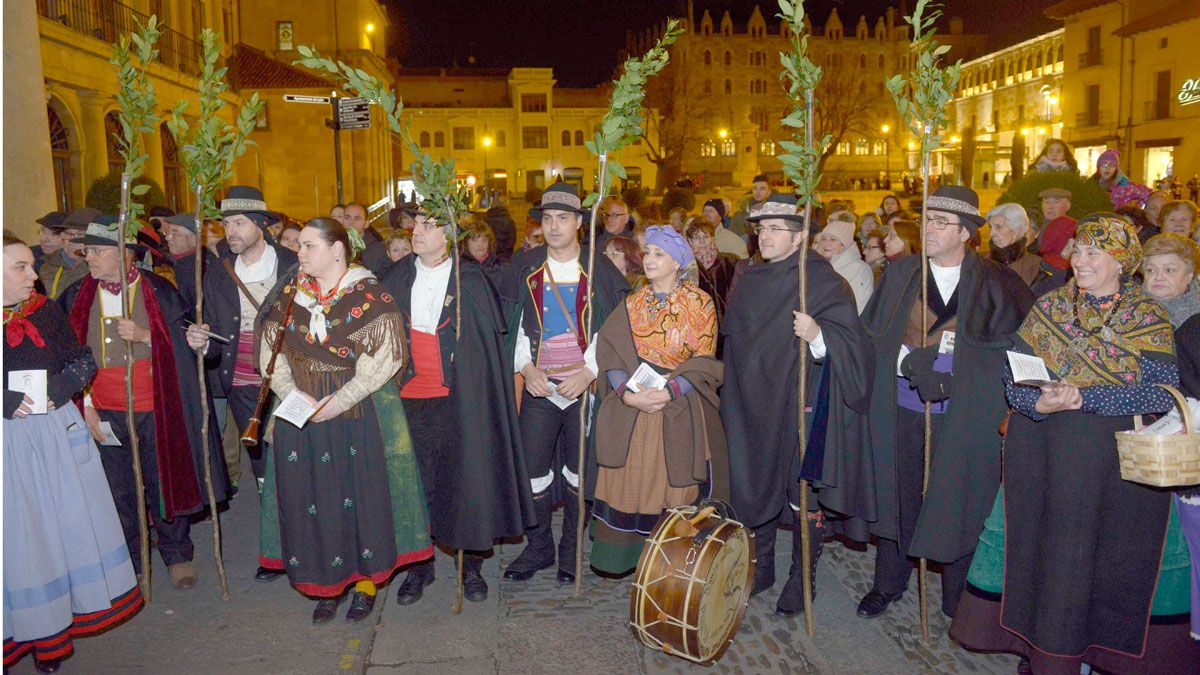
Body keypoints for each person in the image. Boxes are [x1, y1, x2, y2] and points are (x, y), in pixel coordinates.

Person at [951, 214, 1200, 672]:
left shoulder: (1146, 314)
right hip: (1042, 455)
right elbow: (1016, 376)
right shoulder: (1051, 306)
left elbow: (1164, 391)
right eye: (1077, 251)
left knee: (1100, 560)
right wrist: (1035, 404)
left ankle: (1093, 655)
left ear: (1121, 260)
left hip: (1110, 466)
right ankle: (1041, 654)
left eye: (1091, 253)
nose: (1078, 261)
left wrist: (1085, 396)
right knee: (1042, 555)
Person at [853, 186, 1035, 620]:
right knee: (898, 495)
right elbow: (876, 336)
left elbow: (1016, 350)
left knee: (959, 500)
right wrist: (909, 363)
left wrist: (957, 374)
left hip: (962, 418)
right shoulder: (900, 275)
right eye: (927, 220)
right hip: (902, 407)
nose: (929, 229)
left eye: (940, 222)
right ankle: (888, 582)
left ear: (967, 233)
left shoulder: (998, 281)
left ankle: (959, 593)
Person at [257, 217, 433, 624]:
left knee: (359, 494)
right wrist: (292, 393)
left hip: (358, 411)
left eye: (308, 246)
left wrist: (341, 400)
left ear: (337, 250)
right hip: (301, 410)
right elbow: (272, 351)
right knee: (314, 495)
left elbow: (387, 357)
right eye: (299, 246)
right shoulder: (290, 293)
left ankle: (365, 583)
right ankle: (327, 583)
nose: (299, 254)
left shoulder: (369, 292)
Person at [721, 193, 873, 617]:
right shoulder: (750, 276)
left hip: (798, 404)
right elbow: (735, 341)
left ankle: (801, 577)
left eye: (775, 230)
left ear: (799, 236)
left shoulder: (821, 280)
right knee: (753, 484)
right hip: (751, 402)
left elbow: (856, 348)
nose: (765, 237)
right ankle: (763, 564)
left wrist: (819, 335)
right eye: (761, 229)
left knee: (799, 492)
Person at [60, 215, 229, 592]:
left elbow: (187, 348)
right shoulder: (75, 296)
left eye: (98, 251)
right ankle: (133, 559)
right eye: (88, 251)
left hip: (155, 405)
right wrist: (84, 406)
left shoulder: (159, 290)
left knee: (162, 479)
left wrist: (145, 335)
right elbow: (68, 357)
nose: (89, 258)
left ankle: (176, 553)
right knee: (119, 488)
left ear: (126, 255)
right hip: (102, 407)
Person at [3, 236, 143, 673]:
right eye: (22, 268)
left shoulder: (44, 311)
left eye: (31, 265)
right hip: (8, 445)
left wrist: (56, 393)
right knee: (17, 540)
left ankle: (52, 637)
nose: (33, 276)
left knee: (52, 533)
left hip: (51, 436)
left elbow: (82, 361)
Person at [382, 208, 534, 606]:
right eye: (415, 224)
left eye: (428, 225)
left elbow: (485, 350)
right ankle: (419, 566)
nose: (417, 231)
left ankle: (471, 567)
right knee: (417, 486)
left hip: (458, 400)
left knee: (465, 480)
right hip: (408, 399)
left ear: (448, 234)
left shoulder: (470, 281)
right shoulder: (397, 277)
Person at [499, 183, 629, 583]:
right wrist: (526, 368)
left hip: (583, 390)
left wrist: (590, 371)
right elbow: (512, 327)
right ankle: (539, 546)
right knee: (533, 470)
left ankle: (571, 550)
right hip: (540, 387)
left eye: (563, 219)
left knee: (579, 472)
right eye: (548, 219)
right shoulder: (523, 268)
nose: (554, 227)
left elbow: (613, 331)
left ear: (578, 223)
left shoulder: (599, 270)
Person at [590, 226, 724, 575]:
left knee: (671, 485)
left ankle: (668, 568)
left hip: (679, 403)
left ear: (677, 262)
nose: (649, 259)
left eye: (658, 254)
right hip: (634, 406)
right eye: (647, 252)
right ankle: (623, 558)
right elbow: (611, 353)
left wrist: (669, 391)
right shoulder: (632, 302)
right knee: (629, 482)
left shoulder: (699, 303)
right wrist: (628, 395)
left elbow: (704, 361)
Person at [185, 187, 298, 535]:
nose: (229, 230)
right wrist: (202, 343)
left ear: (260, 224)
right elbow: (218, 339)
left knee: (295, 454)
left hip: (290, 378)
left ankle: (303, 530)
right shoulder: (218, 273)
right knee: (260, 458)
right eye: (225, 223)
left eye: (238, 223)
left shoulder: (292, 265)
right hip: (242, 381)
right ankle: (275, 535)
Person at [986, 203, 1064, 295]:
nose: (991, 233)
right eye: (991, 227)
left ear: (1017, 230)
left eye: (998, 227)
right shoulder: (981, 262)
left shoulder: (1037, 267)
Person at [161, 213, 219, 313]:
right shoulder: (206, 258)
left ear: (194, 240)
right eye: (167, 233)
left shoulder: (189, 266)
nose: (168, 238)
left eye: (175, 233)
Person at [814, 219, 873, 313]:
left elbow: (860, 305)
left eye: (833, 239)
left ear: (844, 245)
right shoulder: (820, 266)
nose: (826, 243)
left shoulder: (859, 269)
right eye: (824, 239)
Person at [686, 218, 739, 323]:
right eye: (697, 238)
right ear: (690, 241)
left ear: (712, 239)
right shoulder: (685, 268)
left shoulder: (729, 262)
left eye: (706, 237)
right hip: (697, 324)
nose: (702, 242)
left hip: (727, 323)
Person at [38, 208, 98, 300]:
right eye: (68, 233)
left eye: (80, 235)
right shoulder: (47, 268)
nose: (72, 241)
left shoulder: (99, 270)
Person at [1142, 233, 1200, 327]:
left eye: (1169, 270)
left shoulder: (1197, 316)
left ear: (1189, 275)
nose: (1158, 277)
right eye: (1151, 270)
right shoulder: (1126, 309)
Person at [344, 201, 390, 275]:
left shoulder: (379, 249)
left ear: (366, 224)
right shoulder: (335, 245)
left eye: (357, 218)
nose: (351, 222)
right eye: (347, 218)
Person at [1036, 187, 1076, 270]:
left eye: (1056, 202)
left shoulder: (1073, 228)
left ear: (1068, 206)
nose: (1050, 207)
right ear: (1042, 207)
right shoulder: (1036, 227)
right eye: (1047, 202)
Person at [459, 221, 504, 286]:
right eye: (475, 240)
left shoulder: (498, 266)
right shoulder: (459, 267)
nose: (480, 245)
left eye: (485, 240)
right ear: (466, 242)